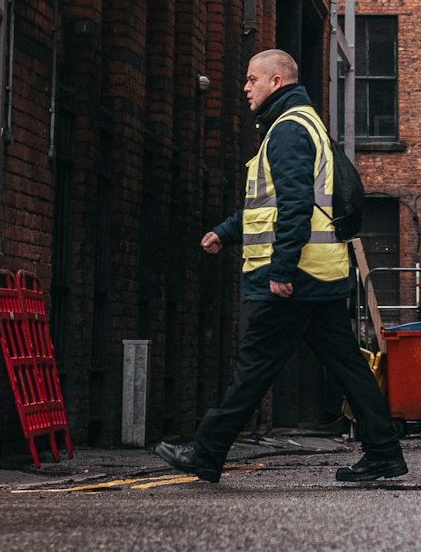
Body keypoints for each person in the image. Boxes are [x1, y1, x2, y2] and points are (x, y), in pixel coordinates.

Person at [155, 48, 407, 484]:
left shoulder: (288, 130)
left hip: (297, 276)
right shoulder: (301, 124)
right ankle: (383, 452)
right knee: (347, 364)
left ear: (276, 82)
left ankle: (207, 451)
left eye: (252, 79)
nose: (245, 88)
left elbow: (294, 207)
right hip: (319, 273)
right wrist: (226, 231)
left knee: (254, 366)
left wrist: (281, 271)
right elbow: (269, 204)